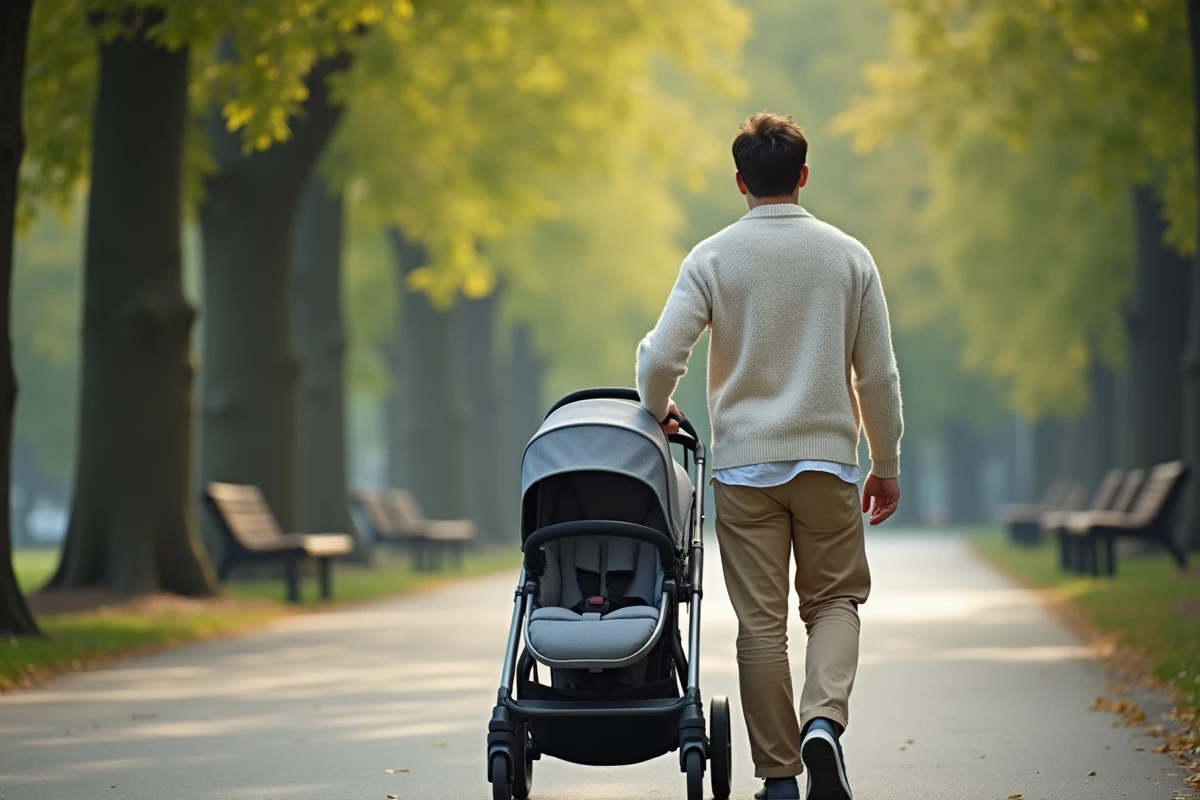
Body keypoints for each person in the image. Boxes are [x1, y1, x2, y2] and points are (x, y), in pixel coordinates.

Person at [635, 112, 903, 800]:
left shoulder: (712, 258)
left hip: (744, 469)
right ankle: (824, 723)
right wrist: (886, 462)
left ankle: (780, 777)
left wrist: (658, 408)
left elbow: (660, 359)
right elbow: (877, 376)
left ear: (740, 182)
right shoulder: (849, 257)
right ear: (803, 176)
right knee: (835, 600)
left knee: (761, 626)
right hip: (827, 463)